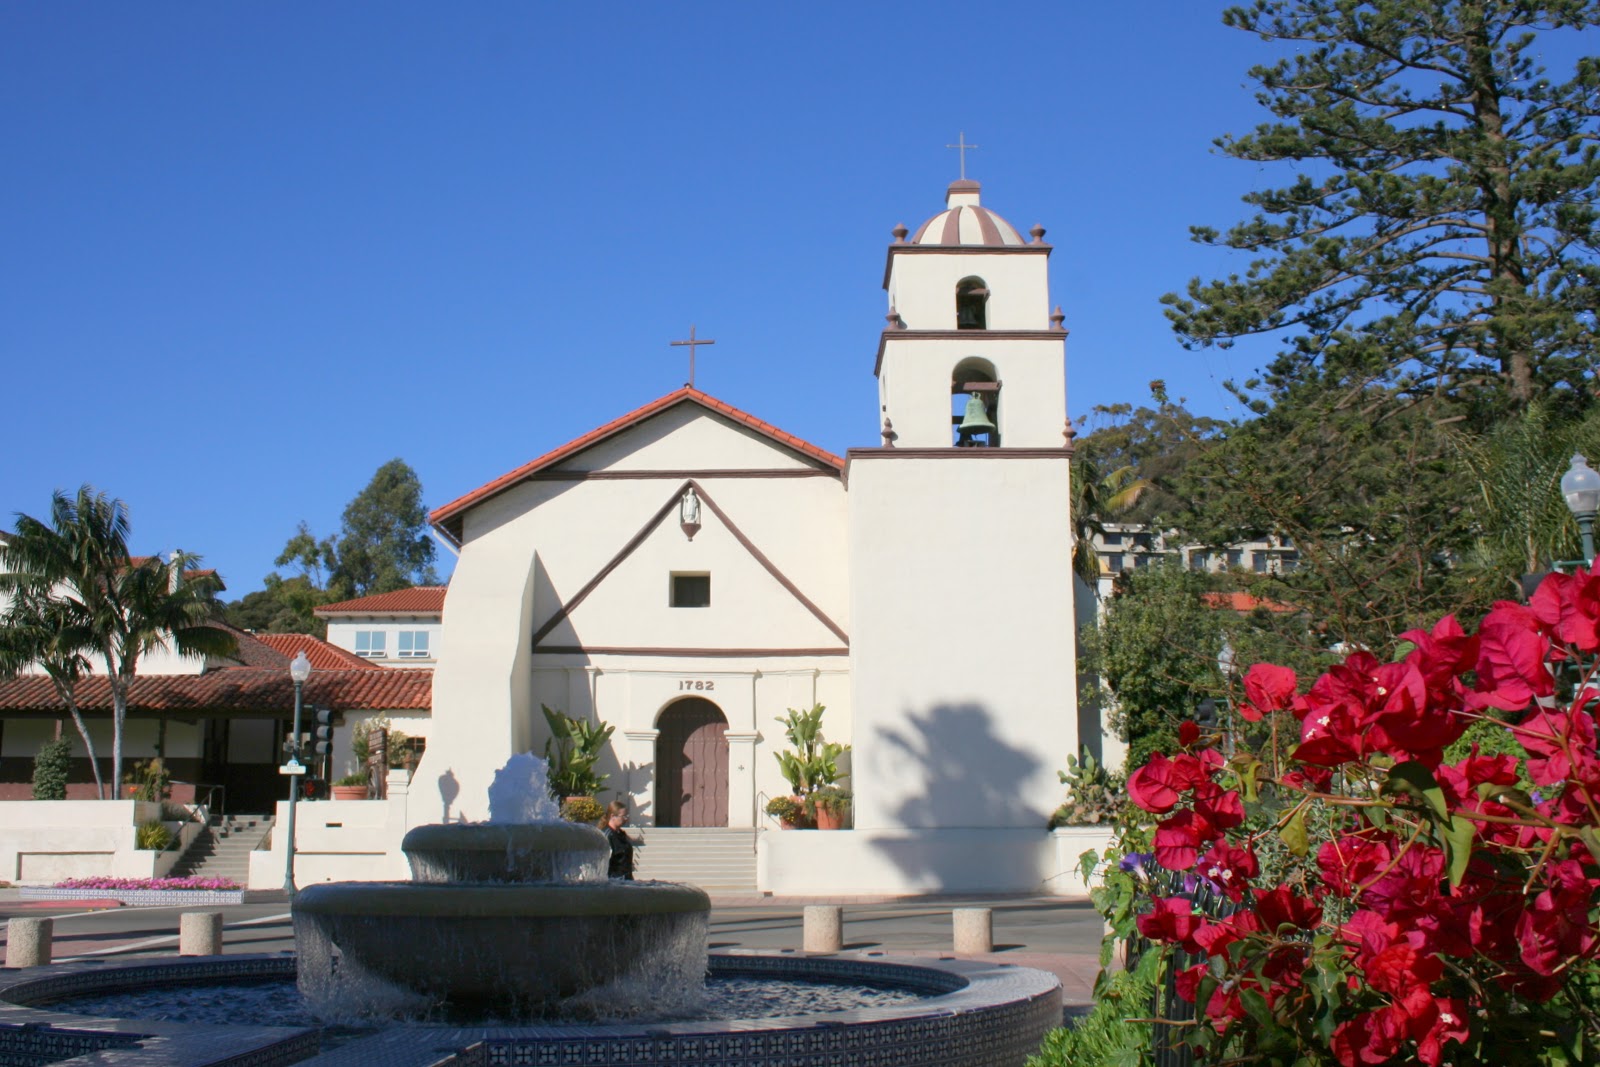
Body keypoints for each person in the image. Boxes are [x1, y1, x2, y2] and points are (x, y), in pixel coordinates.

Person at [603, 800, 635, 880]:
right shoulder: (607, 835)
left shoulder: (621, 834)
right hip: (614, 878)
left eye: (627, 816)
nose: (626, 819)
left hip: (626, 878)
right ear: (612, 816)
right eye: (623, 816)